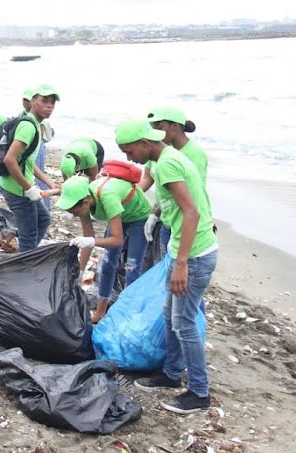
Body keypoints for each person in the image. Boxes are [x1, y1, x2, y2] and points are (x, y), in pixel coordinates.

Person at [114, 118, 217, 415]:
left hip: (195, 254)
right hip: (181, 249)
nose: (128, 157)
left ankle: (199, 392)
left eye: (129, 150)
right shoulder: (165, 160)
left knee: (184, 323)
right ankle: (171, 375)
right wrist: (156, 214)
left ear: (145, 143)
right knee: (168, 314)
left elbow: (191, 213)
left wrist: (182, 263)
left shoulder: (168, 163)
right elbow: (177, 203)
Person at [56, 172, 151, 323]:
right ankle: (100, 313)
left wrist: (92, 241)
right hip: (120, 215)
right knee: (107, 265)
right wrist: (79, 272)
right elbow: (88, 237)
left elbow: (117, 240)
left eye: (74, 212)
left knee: (132, 267)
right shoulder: (82, 200)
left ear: (86, 202)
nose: (74, 215)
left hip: (138, 216)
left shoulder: (108, 198)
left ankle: (127, 317)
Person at [139, 107, 209, 258]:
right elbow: (147, 178)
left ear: (175, 126)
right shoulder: (157, 150)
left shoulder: (193, 153)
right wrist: (129, 195)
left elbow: (194, 194)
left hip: (183, 221)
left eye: (159, 128)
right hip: (166, 216)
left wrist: (156, 212)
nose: (155, 133)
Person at [0, 84, 61, 252]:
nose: (49, 106)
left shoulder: (34, 124)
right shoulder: (28, 127)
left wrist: (49, 183)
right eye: (44, 101)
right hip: (17, 190)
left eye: (52, 103)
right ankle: (24, 265)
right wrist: (28, 189)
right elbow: (9, 159)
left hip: (20, 186)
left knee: (43, 219)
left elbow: (26, 160)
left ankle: (28, 256)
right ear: (33, 101)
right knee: (29, 236)